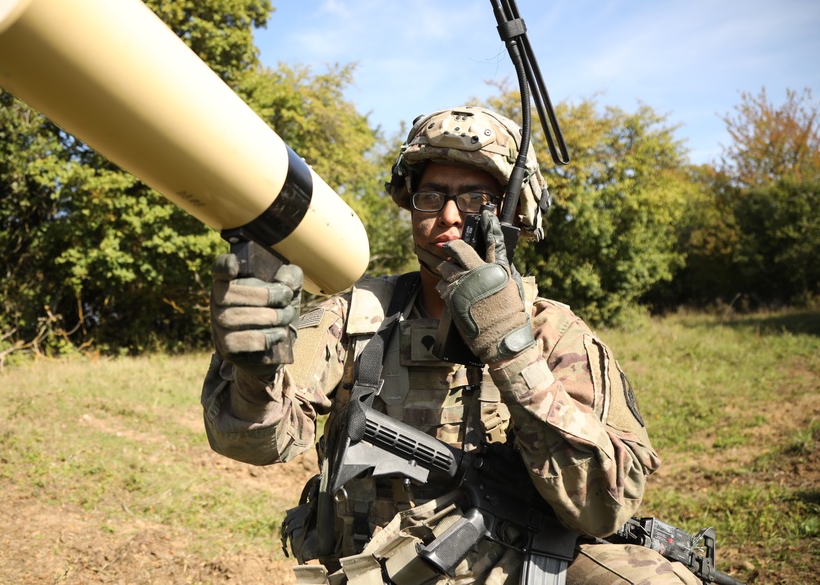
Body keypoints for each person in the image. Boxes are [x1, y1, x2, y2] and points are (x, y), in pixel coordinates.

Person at [202, 106, 700, 584]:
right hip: (377, 569)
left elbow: (601, 506)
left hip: (516, 565)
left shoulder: (555, 333)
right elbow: (252, 443)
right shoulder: (355, 316)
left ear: (514, 216)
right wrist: (253, 374)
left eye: (476, 201)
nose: (448, 217)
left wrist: (510, 346)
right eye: (430, 195)